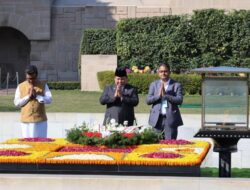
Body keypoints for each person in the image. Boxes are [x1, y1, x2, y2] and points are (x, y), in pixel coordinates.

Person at [146, 63, 183, 139]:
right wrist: (158, 96)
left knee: (170, 145)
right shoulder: (154, 85)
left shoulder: (176, 85)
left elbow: (179, 100)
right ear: (158, 72)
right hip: (157, 119)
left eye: (165, 71)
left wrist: (166, 96)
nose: (163, 73)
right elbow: (148, 100)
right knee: (156, 145)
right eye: (161, 71)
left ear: (169, 72)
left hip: (170, 119)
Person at [14, 65, 52, 138]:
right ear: (26, 76)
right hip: (26, 121)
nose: (31, 80)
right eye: (29, 79)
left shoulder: (43, 85)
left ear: (36, 75)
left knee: (41, 144)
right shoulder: (20, 86)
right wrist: (28, 97)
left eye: (33, 78)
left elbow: (49, 99)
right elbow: (16, 103)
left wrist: (38, 96)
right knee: (27, 145)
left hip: (40, 121)